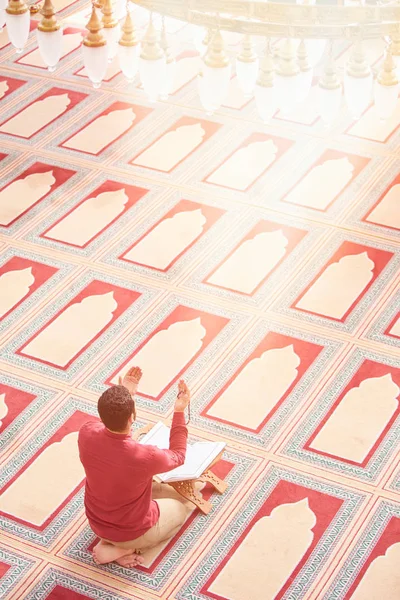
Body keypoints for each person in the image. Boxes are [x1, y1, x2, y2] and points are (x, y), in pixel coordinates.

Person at [78, 366, 191, 568]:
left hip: (96, 521)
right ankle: (124, 548)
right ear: (132, 417)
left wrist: (125, 392)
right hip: (130, 530)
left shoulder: (86, 432)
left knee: (157, 490)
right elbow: (178, 456)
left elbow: (109, 428)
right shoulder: (144, 456)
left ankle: (109, 542)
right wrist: (179, 411)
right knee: (179, 508)